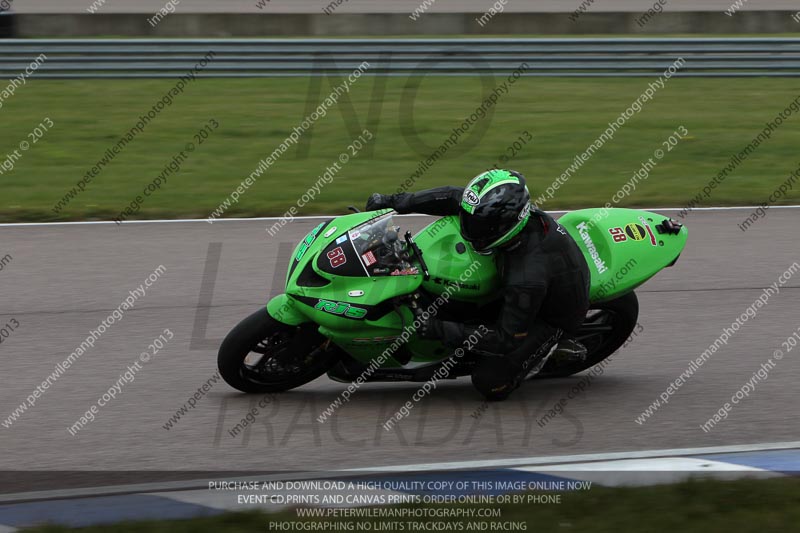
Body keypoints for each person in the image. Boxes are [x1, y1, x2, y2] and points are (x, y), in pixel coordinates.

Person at [366, 169, 590, 401]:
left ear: (503, 226)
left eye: (478, 225)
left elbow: (506, 338)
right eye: (468, 218)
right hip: (526, 283)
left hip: (550, 316)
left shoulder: (527, 275)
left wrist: (438, 329)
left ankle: (553, 349)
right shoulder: (491, 214)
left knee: (490, 382)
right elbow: (451, 196)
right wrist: (391, 202)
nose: (469, 227)